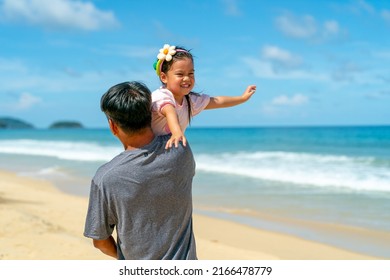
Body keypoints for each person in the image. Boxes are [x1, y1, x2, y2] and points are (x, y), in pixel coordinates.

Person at [84, 81, 197, 260]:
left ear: (113, 126)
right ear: (150, 113)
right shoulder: (180, 151)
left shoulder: (106, 178)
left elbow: (100, 241)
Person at [152, 44, 256, 149]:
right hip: (147, 149)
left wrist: (242, 98)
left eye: (191, 73)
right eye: (180, 74)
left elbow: (218, 101)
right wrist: (177, 132)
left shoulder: (190, 100)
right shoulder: (161, 96)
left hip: (166, 147)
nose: (187, 78)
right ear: (164, 77)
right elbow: (169, 110)